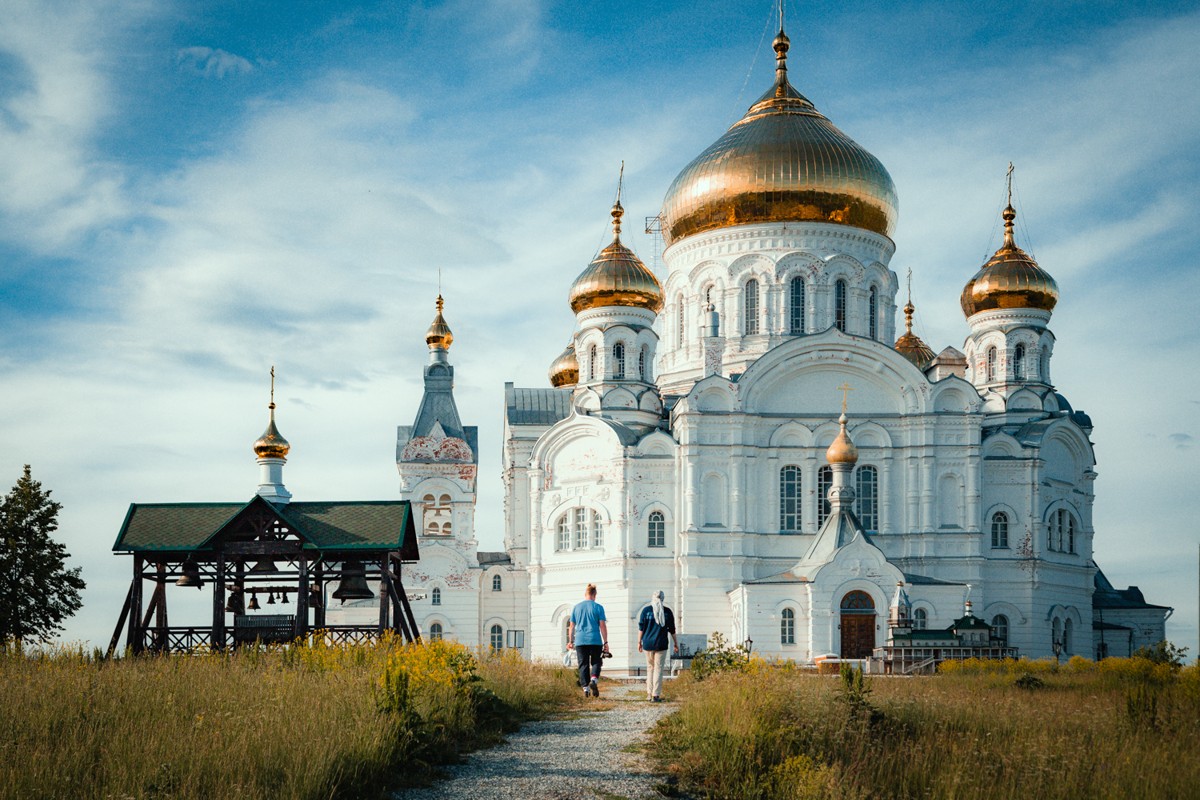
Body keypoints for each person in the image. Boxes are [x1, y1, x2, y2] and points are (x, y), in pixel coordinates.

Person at [567, 583, 608, 697]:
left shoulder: (576, 607)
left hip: (580, 641)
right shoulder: (598, 607)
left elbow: (571, 626)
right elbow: (602, 626)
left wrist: (570, 641)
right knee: (596, 662)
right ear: (594, 595)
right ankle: (593, 680)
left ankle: (586, 689)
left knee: (583, 664)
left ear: (585, 594)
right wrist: (605, 642)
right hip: (595, 640)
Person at [638, 590, 678, 702]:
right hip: (661, 644)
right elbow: (672, 630)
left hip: (648, 644)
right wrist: (675, 643)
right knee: (658, 669)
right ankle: (656, 695)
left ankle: (649, 694)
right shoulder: (667, 612)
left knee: (650, 668)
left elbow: (641, 628)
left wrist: (639, 642)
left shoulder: (646, 611)